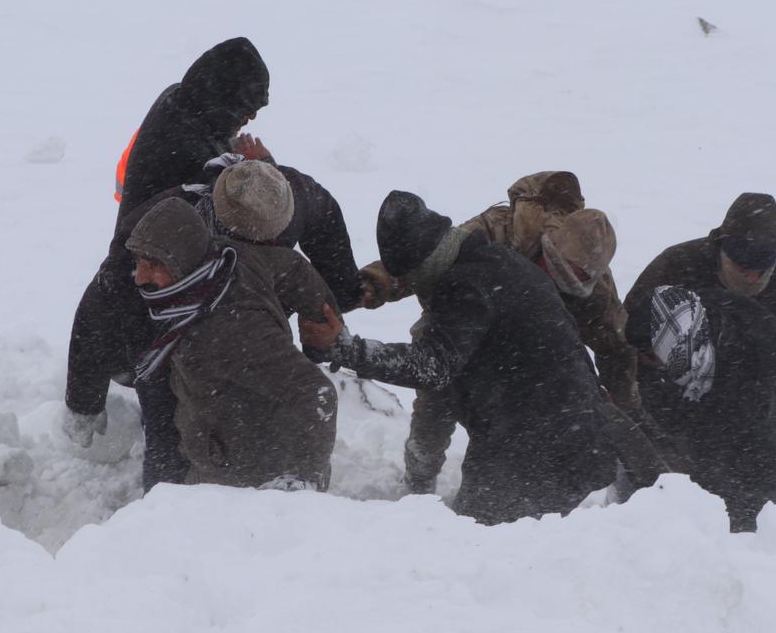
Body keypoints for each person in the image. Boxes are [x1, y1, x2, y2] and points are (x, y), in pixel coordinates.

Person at [61, 41, 363, 489]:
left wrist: (343, 300)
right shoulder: (164, 229)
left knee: (217, 403)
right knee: (170, 409)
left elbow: (316, 224)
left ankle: (212, 482)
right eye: (244, 107)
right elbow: (106, 297)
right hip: (163, 311)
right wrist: (84, 400)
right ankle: (165, 508)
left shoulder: (250, 179)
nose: (250, 120)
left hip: (198, 301)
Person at [301, 191, 618, 525]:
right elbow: (441, 384)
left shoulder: (467, 287)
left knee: (479, 547)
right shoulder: (491, 261)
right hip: (557, 438)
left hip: (542, 449)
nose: (409, 286)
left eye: (409, 278)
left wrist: (347, 348)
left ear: (425, 266)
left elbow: (431, 368)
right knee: (478, 540)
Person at [357, 171, 643, 494]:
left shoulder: (597, 295)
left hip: (527, 355)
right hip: (458, 322)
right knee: (435, 390)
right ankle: (419, 478)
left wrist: (624, 416)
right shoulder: (502, 230)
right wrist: (381, 282)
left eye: (571, 283)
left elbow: (617, 351)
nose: (554, 281)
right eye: (553, 268)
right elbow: (430, 254)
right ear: (548, 244)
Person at [124, 191, 339, 491]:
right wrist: (320, 311)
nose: (139, 277)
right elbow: (290, 267)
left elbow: (316, 392)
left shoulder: (229, 328)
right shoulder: (225, 262)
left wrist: (300, 481)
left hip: (242, 482)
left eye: (153, 263)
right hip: (219, 451)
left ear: (181, 261)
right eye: (139, 261)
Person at [626, 285, 776, 534]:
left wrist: (735, 536)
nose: (652, 368)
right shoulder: (696, 326)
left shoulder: (755, 370)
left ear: (675, 344)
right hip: (768, 466)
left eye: (652, 357)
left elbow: (757, 487)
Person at [624, 192, 776, 361]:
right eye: (742, 268)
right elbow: (625, 340)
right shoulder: (676, 267)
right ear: (723, 249)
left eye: (761, 271)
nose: (751, 279)